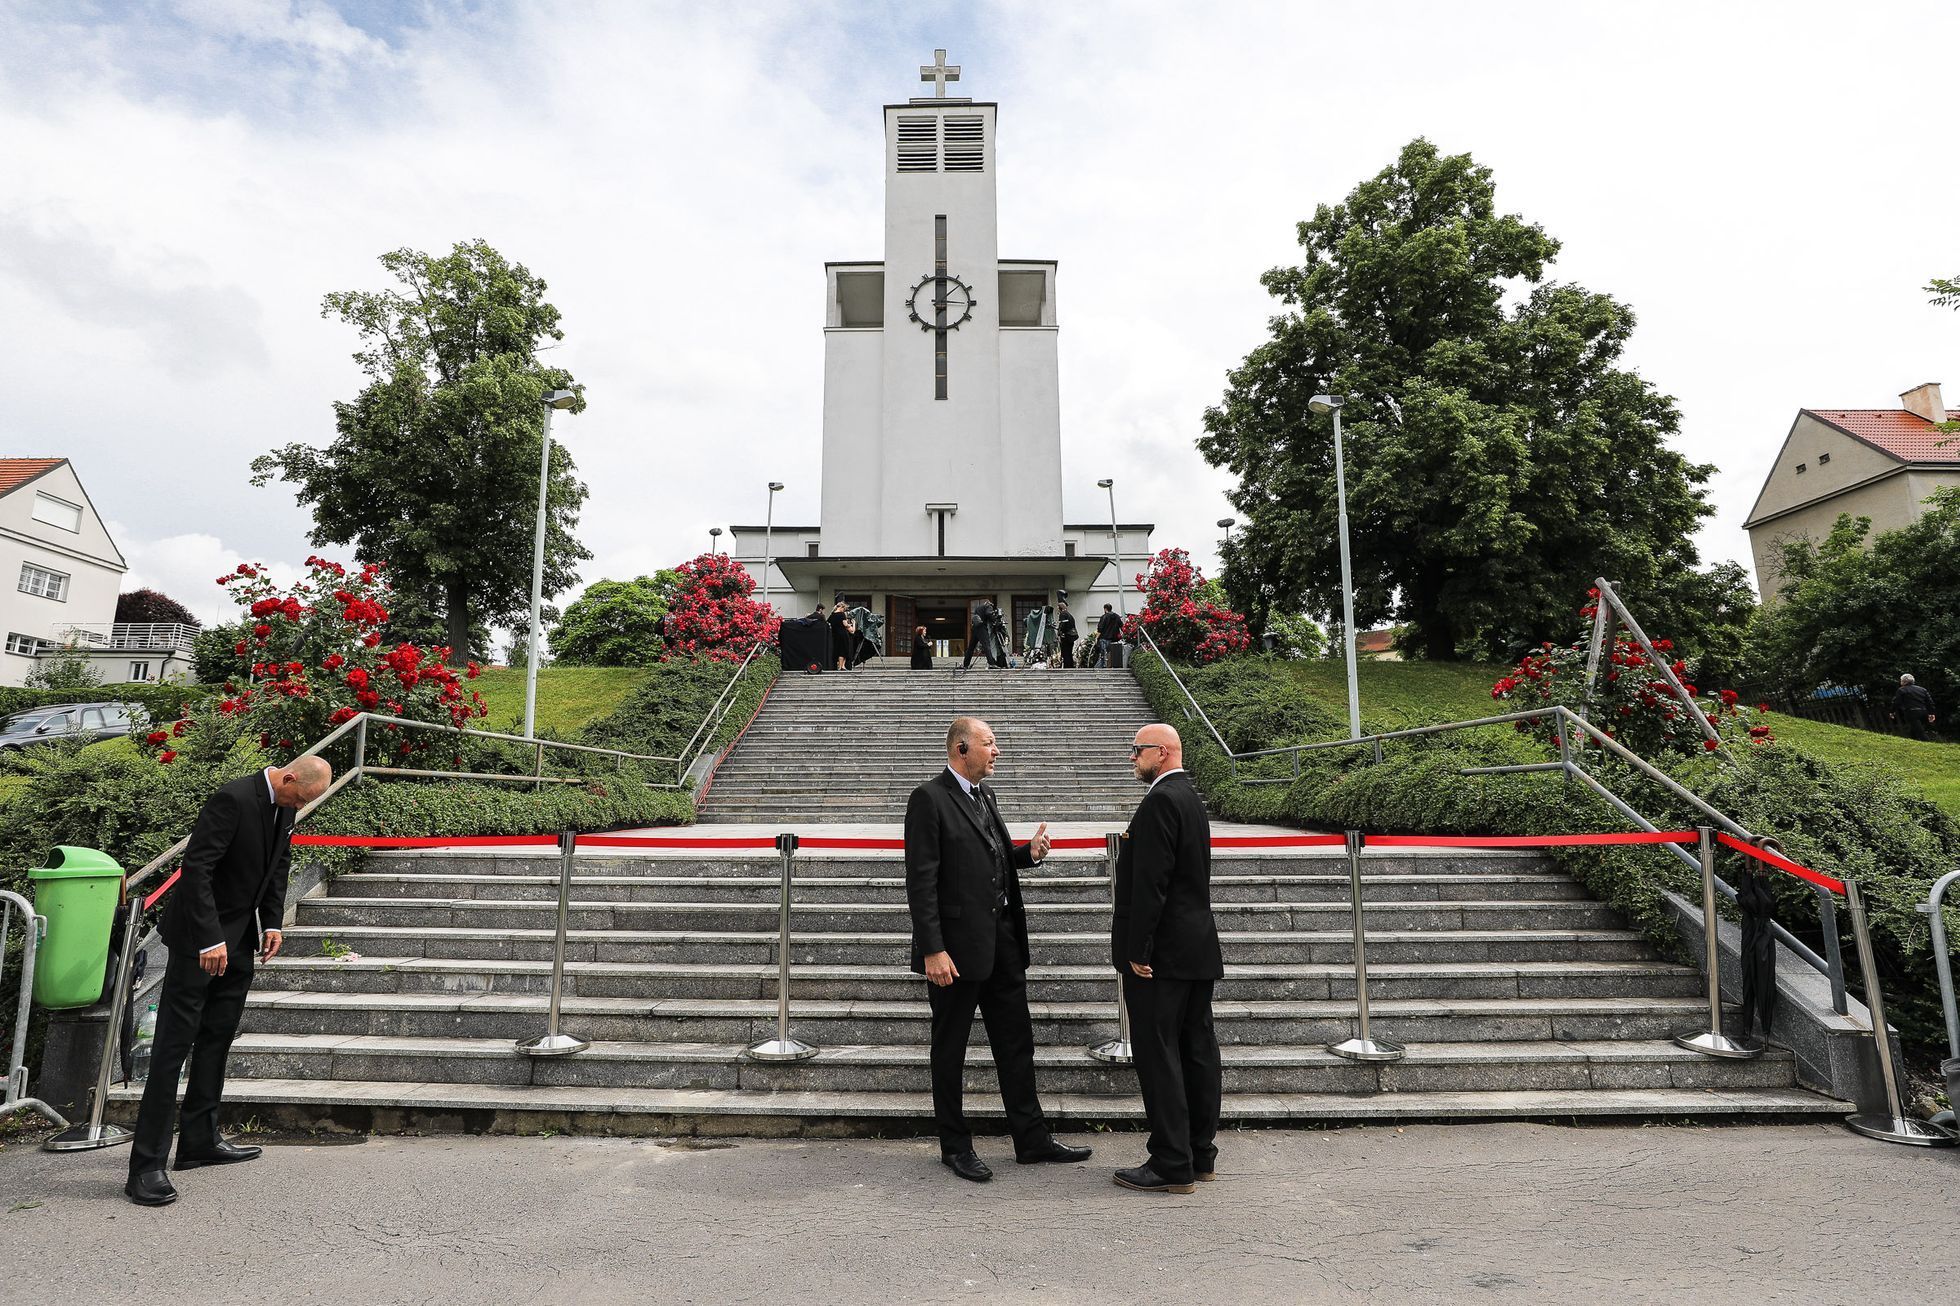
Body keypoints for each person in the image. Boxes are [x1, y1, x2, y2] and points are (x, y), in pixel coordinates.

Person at [125, 755, 334, 1207]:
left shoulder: (285, 805)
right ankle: (146, 1166)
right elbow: (197, 870)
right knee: (172, 1048)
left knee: (218, 1038)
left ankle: (199, 1140)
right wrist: (207, 939)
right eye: (299, 797)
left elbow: (277, 866)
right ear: (289, 777)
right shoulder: (232, 798)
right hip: (200, 940)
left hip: (241, 940)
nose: (298, 805)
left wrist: (273, 923)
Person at [904, 716, 1090, 1182]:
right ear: (962, 749)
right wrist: (933, 950)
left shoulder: (985, 795)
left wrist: (1028, 853)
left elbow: (996, 856)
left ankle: (1031, 1140)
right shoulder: (929, 799)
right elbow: (921, 881)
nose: (998, 751)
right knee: (950, 1049)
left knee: (1016, 1044)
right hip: (956, 952)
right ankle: (955, 1145)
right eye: (990, 743)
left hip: (1003, 942)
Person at [1110, 723, 1222, 1196]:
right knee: (1197, 1050)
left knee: (1160, 1056)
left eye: (1137, 750)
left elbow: (1151, 882)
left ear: (1162, 751)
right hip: (1195, 948)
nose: (1132, 757)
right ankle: (1199, 1155)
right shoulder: (1190, 798)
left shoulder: (1159, 800)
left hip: (1162, 956)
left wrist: (1138, 949)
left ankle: (1170, 1162)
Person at [962, 600, 1006, 671]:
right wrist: (994, 619)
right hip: (982, 628)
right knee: (987, 646)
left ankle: (965, 664)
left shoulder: (978, 608)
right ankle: (991, 663)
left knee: (971, 647)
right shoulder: (989, 606)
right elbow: (988, 614)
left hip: (975, 628)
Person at [1892, 674, 1937, 741]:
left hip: (1911, 713)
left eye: (1901, 680)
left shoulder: (1901, 690)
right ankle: (1912, 741)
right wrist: (1931, 713)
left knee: (1920, 732)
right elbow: (1930, 702)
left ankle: (1929, 744)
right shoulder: (1922, 689)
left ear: (1904, 682)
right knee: (1915, 729)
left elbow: (1896, 702)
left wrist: (1892, 711)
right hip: (1924, 712)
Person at [1093, 603, 1123, 668]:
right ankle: (1109, 666)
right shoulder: (1117, 616)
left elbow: (1100, 628)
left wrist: (1096, 638)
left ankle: (1100, 668)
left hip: (1104, 638)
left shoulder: (1104, 617)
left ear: (1105, 609)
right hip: (1114, 640)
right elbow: (1121, 626)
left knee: (1103, 655)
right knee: (1111, 655)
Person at [829, 598, 854, 672]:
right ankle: (841, 666)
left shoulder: (832, 615)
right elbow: (845, 624)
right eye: (844, 609)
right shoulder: (842, 614)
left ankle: (840, 666)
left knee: (838, 650)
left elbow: (829, 624)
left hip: (835, 635)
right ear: (841, 607)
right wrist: (850, 625)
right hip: (843, 634)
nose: (844, 610)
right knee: (843, 650)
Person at [1056, 601, 1078, 669]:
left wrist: (1059, 633)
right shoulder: (1069, 615)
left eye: (1057, 608)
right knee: (1069, 653)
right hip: (1071, 637)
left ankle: (1067, 667)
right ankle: (1070, 666)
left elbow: (1062, 625)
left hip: (1066, 637)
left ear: (1060, 608)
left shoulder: (1063, 614)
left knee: (1065, 653)